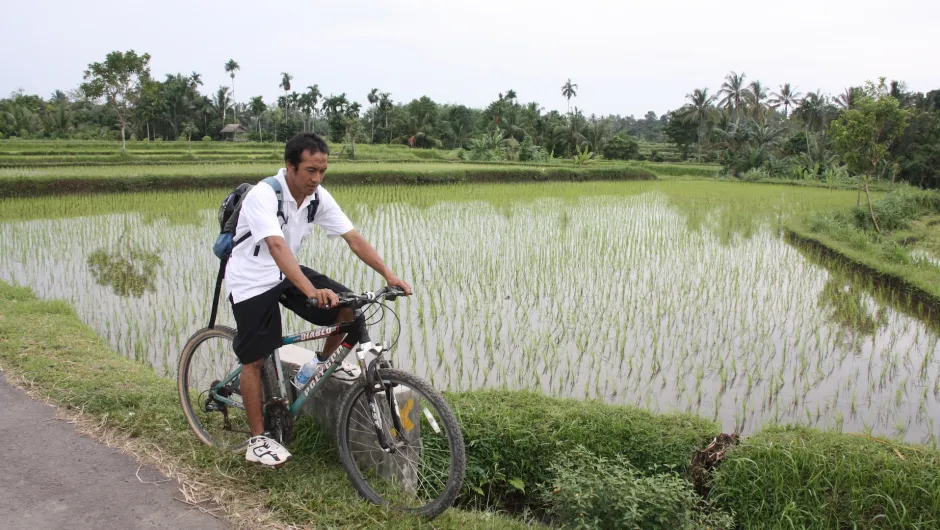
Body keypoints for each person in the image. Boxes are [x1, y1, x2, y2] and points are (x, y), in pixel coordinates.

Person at [225, 132, 412, 467]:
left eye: (322, 171)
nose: (317, 178)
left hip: (286, 272)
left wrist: (389, 274)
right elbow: (277, 246)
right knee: (254, 359)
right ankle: (257, 439)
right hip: (252, 278)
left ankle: (317, 363)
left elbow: (352, 237)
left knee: (349, 309)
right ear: (290, 166)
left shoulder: (317, 198)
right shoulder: (264, 196)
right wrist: (310, 291)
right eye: (310, 170)